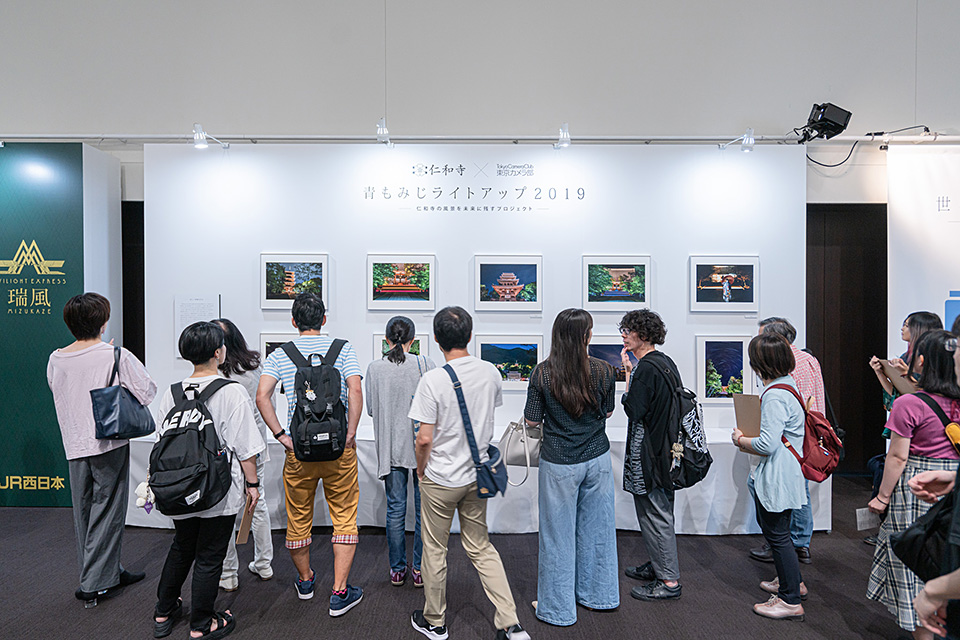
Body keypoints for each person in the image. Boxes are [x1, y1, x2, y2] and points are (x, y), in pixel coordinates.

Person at [408, 306, 531, 640]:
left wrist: (421, 471)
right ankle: (510, 622)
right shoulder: (490, 372)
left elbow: (424, 438)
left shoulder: (432, 379)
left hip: (440, 479)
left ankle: (435, 622)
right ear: (470, 335)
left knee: (434, 549)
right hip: (477, 475)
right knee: (480, 546)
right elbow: (485, 416)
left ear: (435, 339)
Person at [153, 321, 264, 640]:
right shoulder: (232, 392)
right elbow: (245, 447)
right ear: (219, 352)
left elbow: (162, 440)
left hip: (178, 486)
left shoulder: (172, 392)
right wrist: (252, 486)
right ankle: (202, 624)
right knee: (211, 553)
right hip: (218, 488)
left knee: (182, 546)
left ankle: (164, 610)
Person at [256, 293, 365, 615]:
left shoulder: (280, 355)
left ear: (293, 321)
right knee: (344, 516)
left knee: (298, 516)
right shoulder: (343, 349)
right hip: (338, 450)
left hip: (300, 451)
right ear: (324, 320)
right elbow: (355, 390)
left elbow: (262, 397)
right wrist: (351, 433)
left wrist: (281, 436)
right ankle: (340, 591)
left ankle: (305, 581)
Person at [47, 292, 156, 604]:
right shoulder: (114, 355)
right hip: (108, 440)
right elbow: (147, 392)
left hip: (74, 442)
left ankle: (106, 570)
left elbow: (59, 391)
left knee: (84, 513)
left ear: (70, 324)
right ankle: (96, 582)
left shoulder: (56, 358)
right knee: (108, 510)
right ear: (103, 322)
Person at [523, 309, 619, 625]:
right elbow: (607, 413)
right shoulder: (605, 371)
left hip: (559, 462)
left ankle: (557, 609)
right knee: (598, 531)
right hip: (598, 459)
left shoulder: (542, 374)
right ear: (586, 336)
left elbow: (532, 420)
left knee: (557, 537)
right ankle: (599, 597)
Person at [867, 329, 960, 640]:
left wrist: (882, 497)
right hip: (954, 487)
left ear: (921, 360)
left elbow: (897, 457)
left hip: (918, 488)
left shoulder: (910, 404)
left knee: (916, 562)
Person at [731, 332, 807, 621]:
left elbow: (767, 443)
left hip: (776, 473)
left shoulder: (775, 395)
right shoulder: (788, 387)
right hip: (784, 471)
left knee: (778, 536)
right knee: (780, 534)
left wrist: (740, 439)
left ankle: (789, 600)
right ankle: (791, 583)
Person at [365, 315, 436, 588]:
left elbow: (371, 409)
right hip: (421, 448)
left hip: (391, 446)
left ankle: (397, 570)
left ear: (386, 340)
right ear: (413, 341)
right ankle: (418, 569)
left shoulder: (375, 368)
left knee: (395, 510)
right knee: (422, 511)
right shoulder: (426, 364)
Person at [748, 317, 824, 566]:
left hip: (791, 440)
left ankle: (792, 545)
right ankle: (797, 543)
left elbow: (783, 414)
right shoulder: (808, 358)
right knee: (799, 491)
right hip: (809, 433)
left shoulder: (783, 375)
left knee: (793, 493)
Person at [619, 308, 683, 601]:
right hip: (664, 451)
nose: (624, 335)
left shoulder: (645, 369)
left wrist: (629, 375)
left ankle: (668, 581)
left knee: (654, 512)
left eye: (628, 330)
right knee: (660, 509)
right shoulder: (665, 363)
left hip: (649, 454)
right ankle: (659, 566)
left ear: (642, 335)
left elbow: (634, 409)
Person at [213, 318, 275, 591]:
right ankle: (264, 564)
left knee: (224, 509)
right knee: (257, 504)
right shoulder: (254, 367)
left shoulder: (215, 374)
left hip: (222, 450)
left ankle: (228, 573)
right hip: (254, 446)